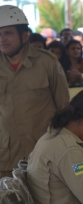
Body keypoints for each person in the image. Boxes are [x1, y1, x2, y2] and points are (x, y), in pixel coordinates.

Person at [0, 5, 69, 178]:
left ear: (24, 36)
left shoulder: (47, 62)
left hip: (43, 155)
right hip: (5, 159)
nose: (2, 39)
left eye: (8, 33)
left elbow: (64, 108)